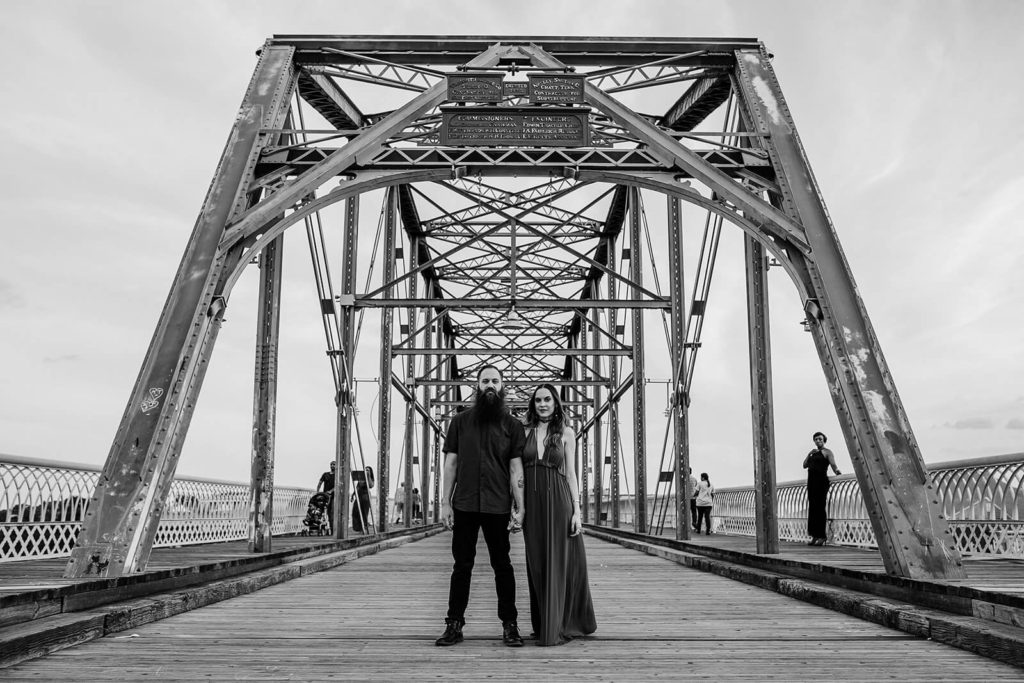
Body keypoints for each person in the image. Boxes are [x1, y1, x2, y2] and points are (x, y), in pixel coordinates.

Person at [435, 365, 527, 648]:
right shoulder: (460, 422)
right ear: (477, 385)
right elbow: (450, 463)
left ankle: (509, 625)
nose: (490, 385)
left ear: (502, 387)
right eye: (485, 380)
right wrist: (445, 504)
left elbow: (516, 469)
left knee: (503, 565)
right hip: (464, 503)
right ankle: (454, 624)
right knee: (462, 565)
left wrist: (520, 508)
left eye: (495, 381)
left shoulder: (513, 426)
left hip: (497, 505)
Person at [522, 384, 597, 646]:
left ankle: (559, 624)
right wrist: (516, 507)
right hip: (532, 506)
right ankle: (543, 621)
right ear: (533, 404)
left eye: (547, 400)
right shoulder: (524, 432)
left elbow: (571, 473)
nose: (542, 404)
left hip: (559, 501)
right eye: (538, 400)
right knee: (537, 562)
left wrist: (577, 510)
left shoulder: (566, 433)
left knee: (558, 562)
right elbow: (516, 473)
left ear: (555, 403)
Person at [803, 431, 841, 546]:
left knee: (820, 508)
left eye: (820, 439)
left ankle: (822, 536)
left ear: (824, 440)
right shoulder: (813, 453)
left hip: (821, 482)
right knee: (813, 509)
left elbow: (833, 465)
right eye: (816, 439)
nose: (818, 441)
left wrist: (837, 472)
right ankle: (814, 535)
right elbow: (804, 465)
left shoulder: (827, 452)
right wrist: (809, 454)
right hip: (812, 482)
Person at [351, 466, 374, 533]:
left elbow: (371, 485)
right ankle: (358, 527)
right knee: (355, 512)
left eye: (368, 470)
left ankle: (364, 527)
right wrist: (353, 495)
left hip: (365, 496)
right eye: (365, 470)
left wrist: (368, 475)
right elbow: (357, 487)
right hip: (359, 496)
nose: (366, 471)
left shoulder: (370, 478)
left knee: (364, 512)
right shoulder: (361, 478)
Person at [317, 461, 337, 530]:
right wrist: (317, 491)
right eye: (331, 464)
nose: (332, 466)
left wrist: (331, 491)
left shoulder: (337, 475)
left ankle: (332, 528)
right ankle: (322, 526)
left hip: (334, 496)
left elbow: (337, 485)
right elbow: (320, 483)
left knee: (332, 512)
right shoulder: (325, 474)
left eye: (334, 465)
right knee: (325, 511)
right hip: (325, 495)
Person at [687, 467, 699, 533]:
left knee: (686, 512)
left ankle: (687, 526)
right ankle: (694, 523)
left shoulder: (684, 478)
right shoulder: (694, 479)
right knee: (694, 512)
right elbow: (696, 488)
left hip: (686, 498)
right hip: (693, 498)